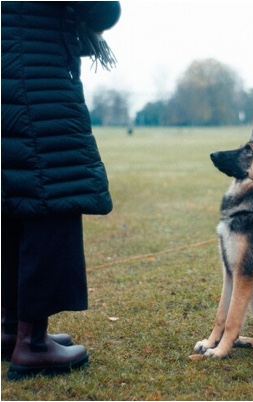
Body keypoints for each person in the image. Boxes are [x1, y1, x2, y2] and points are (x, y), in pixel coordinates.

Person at [1, 1, 121, 380]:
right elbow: (102, 10)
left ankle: (10, 329)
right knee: (52, 200)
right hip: (35, 81)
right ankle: (33, 344)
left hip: (10, 72)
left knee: (16, 199)